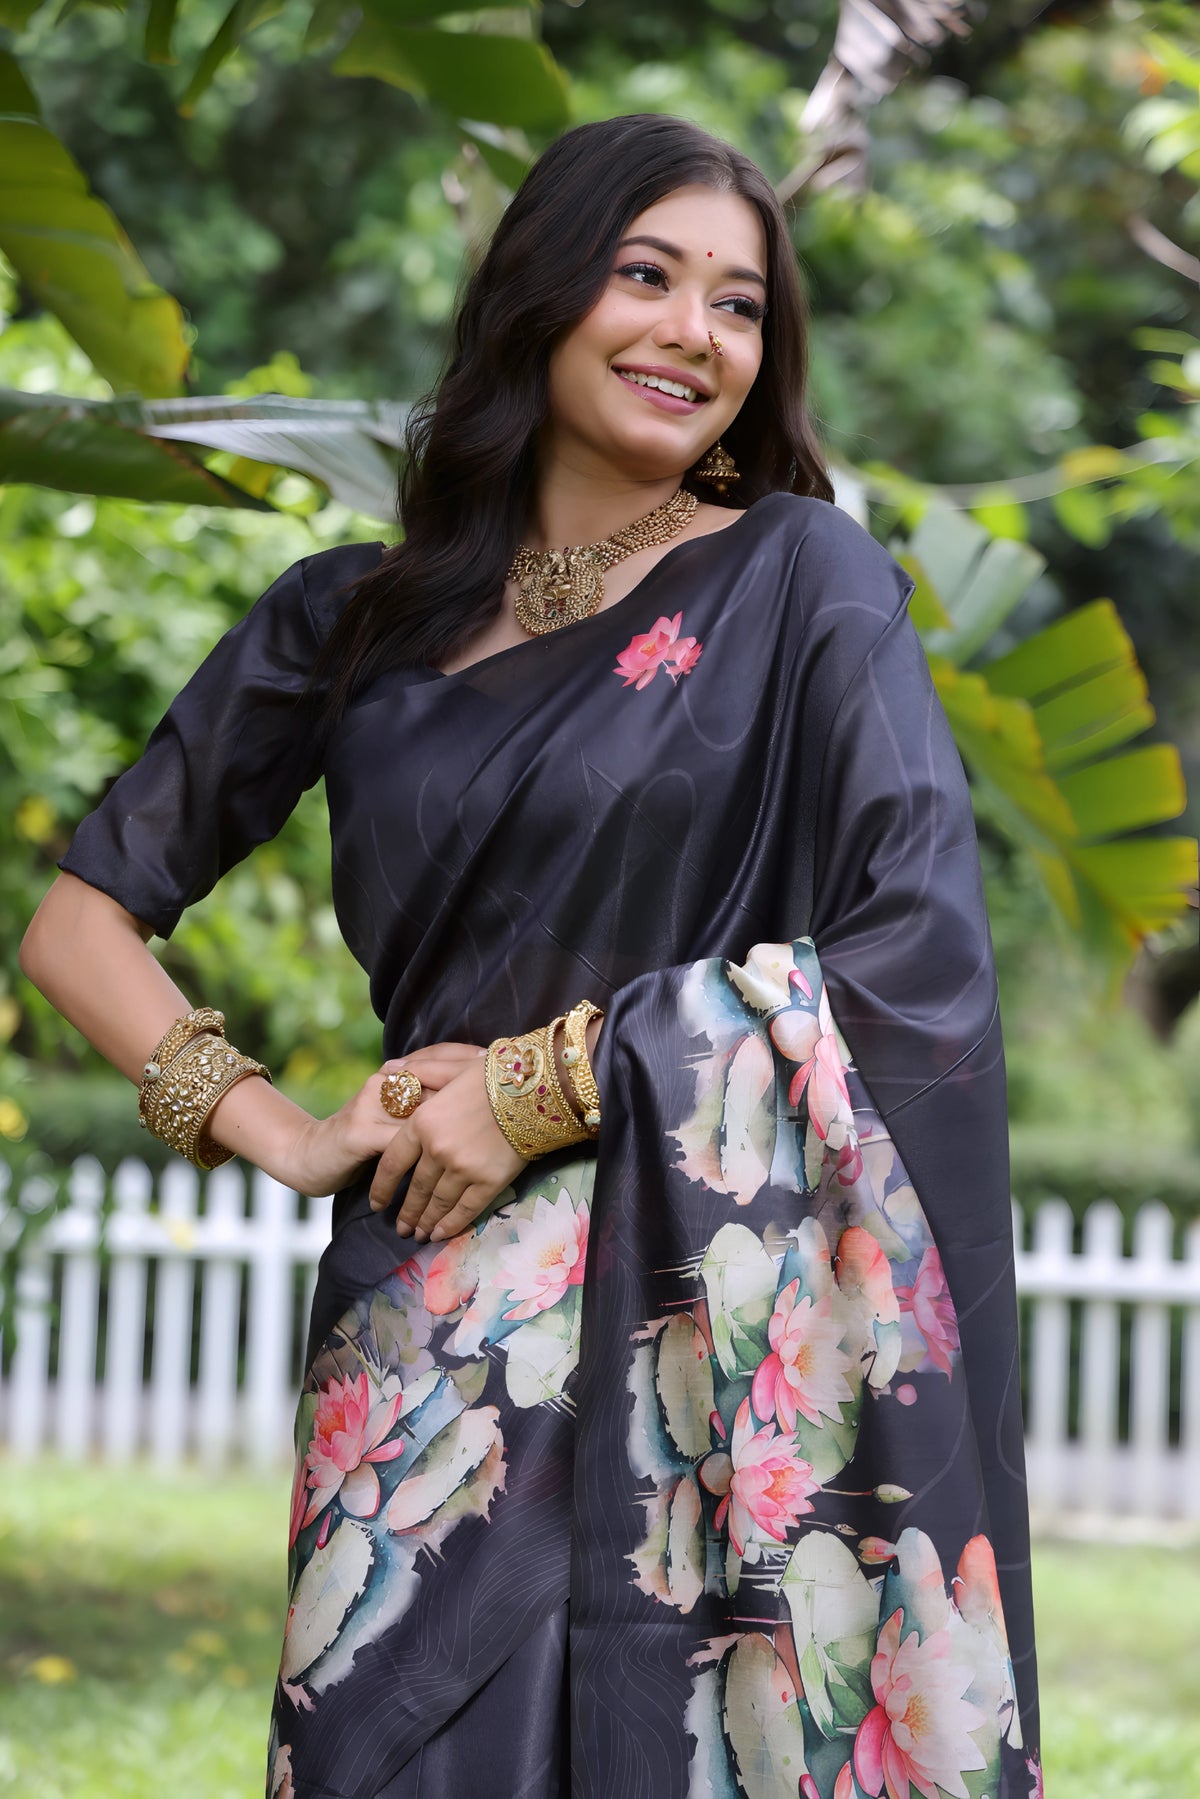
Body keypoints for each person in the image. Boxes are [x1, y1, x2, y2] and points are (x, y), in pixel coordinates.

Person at [20, 113, 1043, 1799]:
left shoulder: (803, 584)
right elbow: (79, 922)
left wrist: (548, 1082)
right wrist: (277, 1130)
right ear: (541, 293)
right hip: (428, 1339)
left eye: (738, 304)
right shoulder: (355, 620)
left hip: (711, 1347)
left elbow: (913, 953)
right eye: (646, 276)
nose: (692, 333)